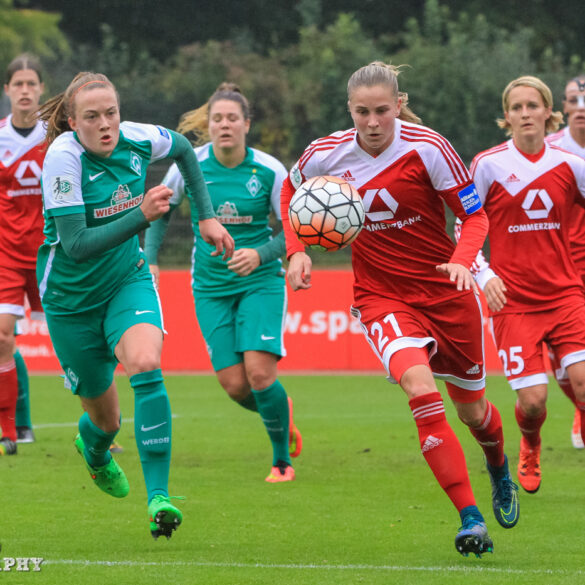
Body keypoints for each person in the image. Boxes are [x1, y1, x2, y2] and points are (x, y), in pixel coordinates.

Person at [280, 61, 519, 558]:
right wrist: (297, 247)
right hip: (381, 297)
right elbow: (290, 188)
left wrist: (460, 262)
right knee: (419, 387)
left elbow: (474, 215)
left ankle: (498, 465)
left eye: (382, 111)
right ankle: (469, 517)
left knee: (474, 412)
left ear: (399, 105)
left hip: (446, 295)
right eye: (362, 112)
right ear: (350, 110)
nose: (372, 122)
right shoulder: (328, 152)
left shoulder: (428, 148)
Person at [37, 72, 234, 539]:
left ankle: (159, 498)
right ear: (72, 122)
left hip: (127, 280)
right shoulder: (61, 159)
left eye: (112, 113)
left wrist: (205, 216)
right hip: (70, 302)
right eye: (92, 117)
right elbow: (79, 244)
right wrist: (140, 214)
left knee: (146, 362)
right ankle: (96, 449)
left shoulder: (138, 138)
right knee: (105, 420)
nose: (106, 125)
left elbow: (185, 150)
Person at [145, 83, 303, 483]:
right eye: (218, 118)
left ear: (246, 124)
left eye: (233, 118)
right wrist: (150, 259)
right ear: (209, 125)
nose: (225, 125)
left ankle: (281, 461)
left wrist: (261, 254)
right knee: (235, 385)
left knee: (260, 374)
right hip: (210, 287)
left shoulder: (269, 170)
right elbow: (162, 210)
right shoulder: (189, 165)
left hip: (261, 281)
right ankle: (280, 415)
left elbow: (294, 230)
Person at [468, 75, 585, 495]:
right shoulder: (487, 165)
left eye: (532, 106)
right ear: (506, 117)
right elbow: (465, 227)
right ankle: (531, 443)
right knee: (534, 401)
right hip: (513, 302)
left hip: (566, 295)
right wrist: (485, 275)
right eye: (516, 107)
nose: (524, 114)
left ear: (548, 113)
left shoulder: (571, 165)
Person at [0, 53, 47, 454]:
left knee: (76, 338)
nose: (26, 90)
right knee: (2, 335)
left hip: (52, 253)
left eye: (32, 83)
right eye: (19, 84)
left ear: (42, 90)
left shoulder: (59, 137)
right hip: (7, 255)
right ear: (7, 91)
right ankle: (10, 429)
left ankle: (102, 424)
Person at [545, 75, 585, 449]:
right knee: (564, 358)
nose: (582, 106)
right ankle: (580, 406)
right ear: (564, 107)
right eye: (575, 98)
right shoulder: (548, 148)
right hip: (561, 266)